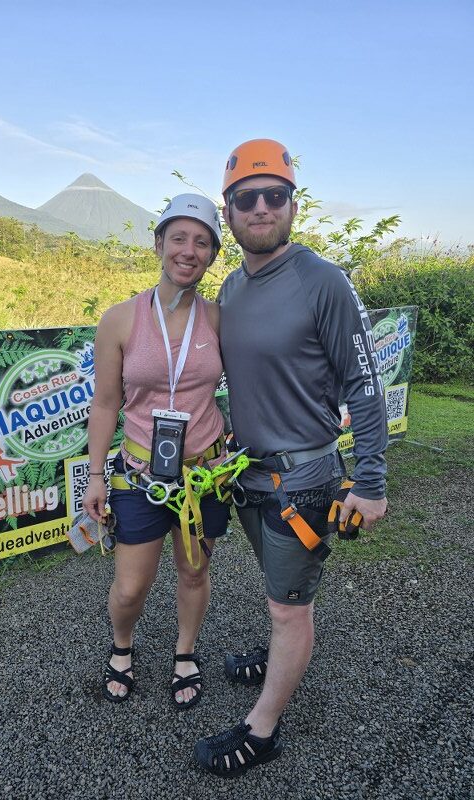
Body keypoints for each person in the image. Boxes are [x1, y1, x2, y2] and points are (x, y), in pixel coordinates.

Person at [194, 139, 388, 776]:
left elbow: (363, 383)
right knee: (275, 586)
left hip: (301, 481)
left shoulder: (322, 280)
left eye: (273, 195)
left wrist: (371, 479)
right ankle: (276, 648)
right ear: (228, 212)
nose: (260, 207)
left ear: (291, 205)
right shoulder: (233, 285)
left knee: (289, 605)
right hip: (246, 474)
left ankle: (263, 727)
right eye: (245, 198)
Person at [82, 194, 230, 709]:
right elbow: (105, 404)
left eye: (202, 241)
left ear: (212, 253)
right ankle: (122, 648)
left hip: (205, 475)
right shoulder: (120, 320)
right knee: (129, 588)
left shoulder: (218, 318)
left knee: (194, 571)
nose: (189, 251)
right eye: (179, 238)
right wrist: (95, 475)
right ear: (158, 244)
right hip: (140, 475)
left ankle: (184, 653)